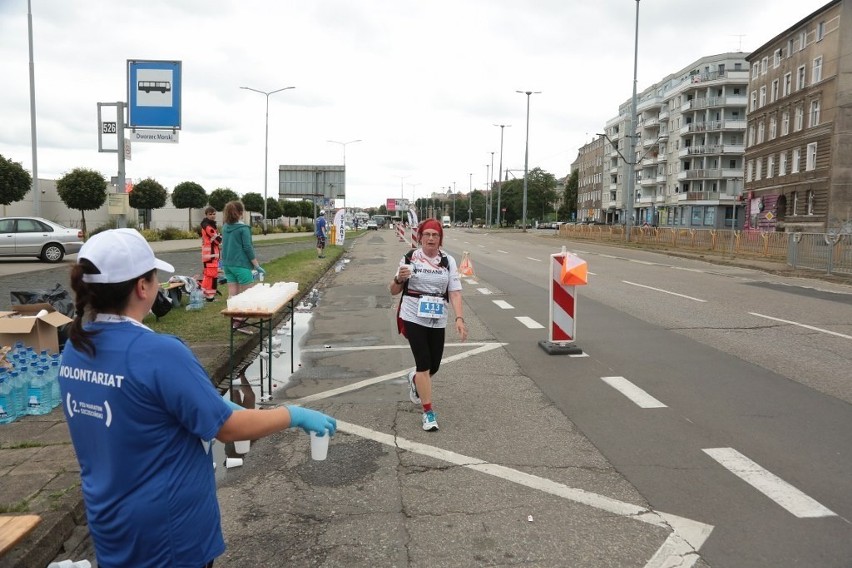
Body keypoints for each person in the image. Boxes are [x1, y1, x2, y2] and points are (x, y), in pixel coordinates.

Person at [58, 228, 336, 568]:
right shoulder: (158, 352)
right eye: (154, 278)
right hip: (169, 533)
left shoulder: (76, 346)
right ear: (142, 287)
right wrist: (292, 414)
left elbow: (154, 407)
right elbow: (228, 428)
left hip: (110, 522)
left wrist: (217, 404)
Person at [389, 218, 467, 432]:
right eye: (427, 235)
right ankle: (428, 413)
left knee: (434, 366)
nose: (431, 238)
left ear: (440, 239)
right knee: (423, 363)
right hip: (413, 314)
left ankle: (414, 379)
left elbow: (455, 292)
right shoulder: (410, 257)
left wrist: (459, 318)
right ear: (420, 237)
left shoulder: (448, 261)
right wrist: (399, 279)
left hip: (437, 317)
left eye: (435, 235)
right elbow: (393, 291)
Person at [220, 200, 265, 334]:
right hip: (241, 265)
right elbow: (248, 248)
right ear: (240, 213)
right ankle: (239, 322)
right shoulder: (243, 229)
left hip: (228, 265)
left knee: (232, 294)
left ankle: (234, 320)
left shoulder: (225, 227)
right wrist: (257, 266)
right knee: (249, 295)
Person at [200, 206, 222, 301]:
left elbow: (216, 238)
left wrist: (218, 237)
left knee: (209, 275)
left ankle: (206, 295)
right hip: (211, 254)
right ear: (206, 215)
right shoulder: (208, 226)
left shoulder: (209, 224)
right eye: (210, 214)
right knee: (211, 276)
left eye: (214, 214)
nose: (212, 216)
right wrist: (220, 236)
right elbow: (218, 240)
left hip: (210, 254)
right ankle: (210, 297)